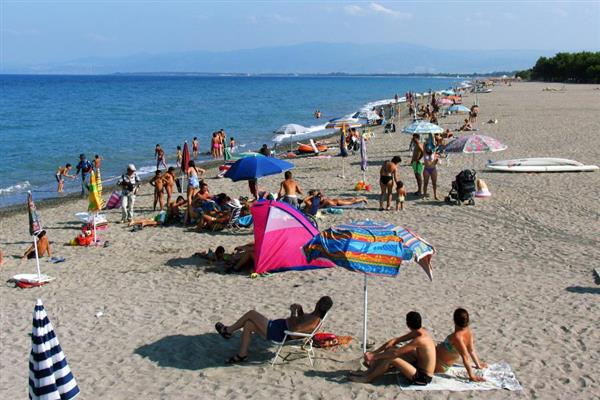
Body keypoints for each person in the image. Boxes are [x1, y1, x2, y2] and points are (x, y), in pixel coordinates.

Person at [215, 296, 333, 364]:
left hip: (279, 333)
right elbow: (301, 321)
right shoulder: (315, 315)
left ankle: (228, 331)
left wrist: (293, 313)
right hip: (279, 328)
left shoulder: (314, 321)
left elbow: (294, 330)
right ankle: (242, 354)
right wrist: (300, 310)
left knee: (251, 313)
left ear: (318, 304)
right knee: (248, 324)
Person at [349, 311, 436, 386]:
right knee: (391, 349)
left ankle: (368, 378)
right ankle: (367, 372)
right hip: (417, 364)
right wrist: (375, 352)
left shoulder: (420, 340)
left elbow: (395, 353)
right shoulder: (419, 332)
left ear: (407, 324)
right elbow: (395, 340)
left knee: (391, 358)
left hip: (423, 377)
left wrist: (374, 357)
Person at [435, 308, 487, 382]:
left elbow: (465, 358)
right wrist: (478, 365)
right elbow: (471, 350)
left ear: (454, 320)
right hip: (439, 358)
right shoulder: (468, 332)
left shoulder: (457, 337)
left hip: (439, 363)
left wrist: (472, 376)